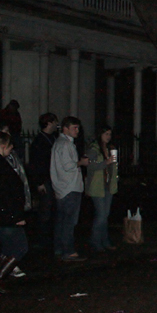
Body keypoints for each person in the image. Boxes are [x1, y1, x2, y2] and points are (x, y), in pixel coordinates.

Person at [50, 116, 90, 262]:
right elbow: (68, 166)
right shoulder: (65, 144)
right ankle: (68, 251)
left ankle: (59, 248)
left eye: (78, 128)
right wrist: (81, 163)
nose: (77, 131)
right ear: (65, 128)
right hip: (69, 187)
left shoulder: (59, 143)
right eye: (74, 128)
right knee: (69, 222)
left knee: (61, 221)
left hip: (62, 188)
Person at [0, 122, 32, 277]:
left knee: (8, 248)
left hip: (7, 214)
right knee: (20, 247)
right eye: (9, 146)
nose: (11, 148)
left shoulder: (5, 163)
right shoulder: (3, 167)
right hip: (8, 215)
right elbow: (8, 194)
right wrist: (16, 216)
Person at [27, 113, 59, 248]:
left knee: (51, 209)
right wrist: (39, 182)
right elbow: (35, 163)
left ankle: (48, 238)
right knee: (45, 209)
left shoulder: (53, 138)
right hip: (45, 179)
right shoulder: (40, 141)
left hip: (52, 178)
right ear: (49, 123)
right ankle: (42, 239)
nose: (57, 124)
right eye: (55, 122)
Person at [85, 126, 118, 252]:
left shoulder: (109, 148)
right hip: (97, 186)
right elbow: (90, 166)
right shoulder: (94, 149)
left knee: (105, 215)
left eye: (110, 134)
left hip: (108, 185)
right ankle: (95, 240)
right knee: (101, 215)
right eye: (106, 134)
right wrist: (106, 162)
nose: (108, 137)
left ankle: (104, 240)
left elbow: (112, 167)